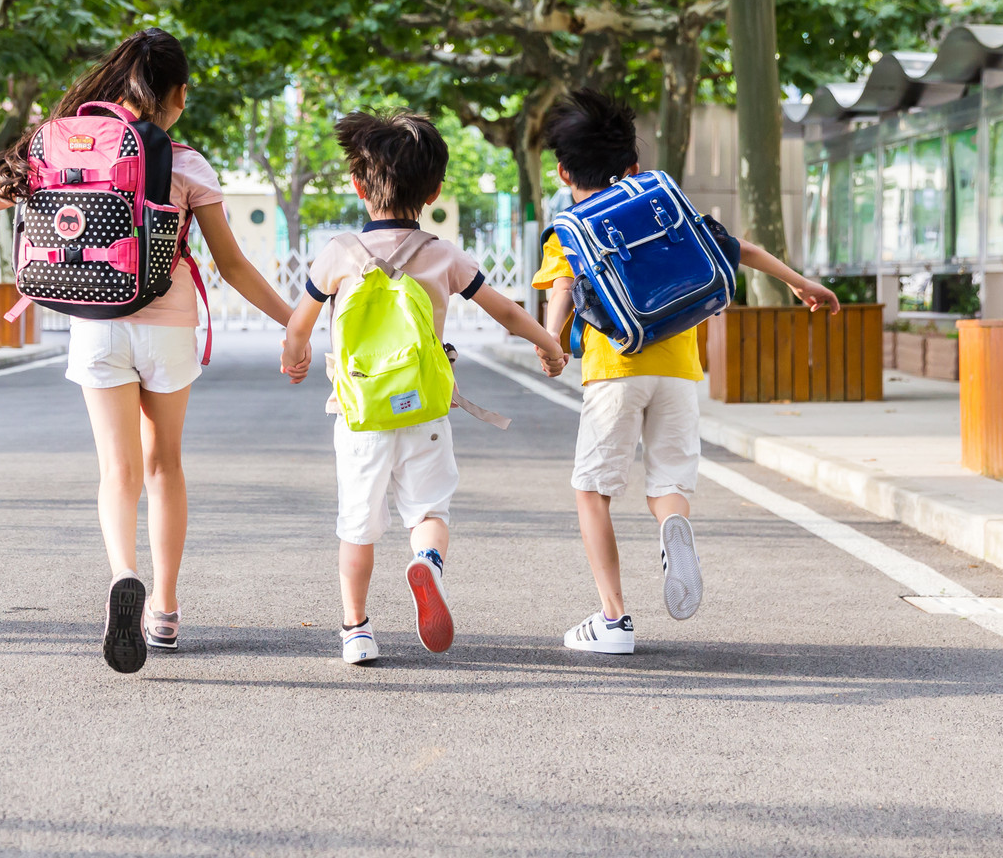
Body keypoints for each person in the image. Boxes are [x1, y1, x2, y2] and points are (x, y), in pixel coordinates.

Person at [0, 28, 295, 674]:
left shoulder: (67, 146)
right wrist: (299, 323)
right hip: (166, 324)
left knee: (117, 471)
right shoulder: (186, 163)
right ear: (179, 95)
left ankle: (122, 574)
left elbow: (1, 191)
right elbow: (234, 266)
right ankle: (162, 607)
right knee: (164, 465)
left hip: (95, 322)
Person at [534, 90, 840, 655]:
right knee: (669, 480)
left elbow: (563, 290)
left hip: (613, 368)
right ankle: (673, 528)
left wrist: (552, 345)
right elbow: (736, 248)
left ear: (561, 170)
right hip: (679, 366)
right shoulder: (659, 203)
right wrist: (800, 282)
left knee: (592, 491)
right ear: (633, 167)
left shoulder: (570, 227)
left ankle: (614, 620)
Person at [281, 110, 566, 666]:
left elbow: (299, 325)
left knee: (357, 527)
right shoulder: (443, 255)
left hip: (359, 413)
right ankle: (427, 564)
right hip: (425, 410)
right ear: (434, 191)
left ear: (359, 186)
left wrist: (295, 358)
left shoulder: (339, 253)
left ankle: (356, 630)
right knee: (429, 510)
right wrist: (549, 344)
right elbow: (505, 310)